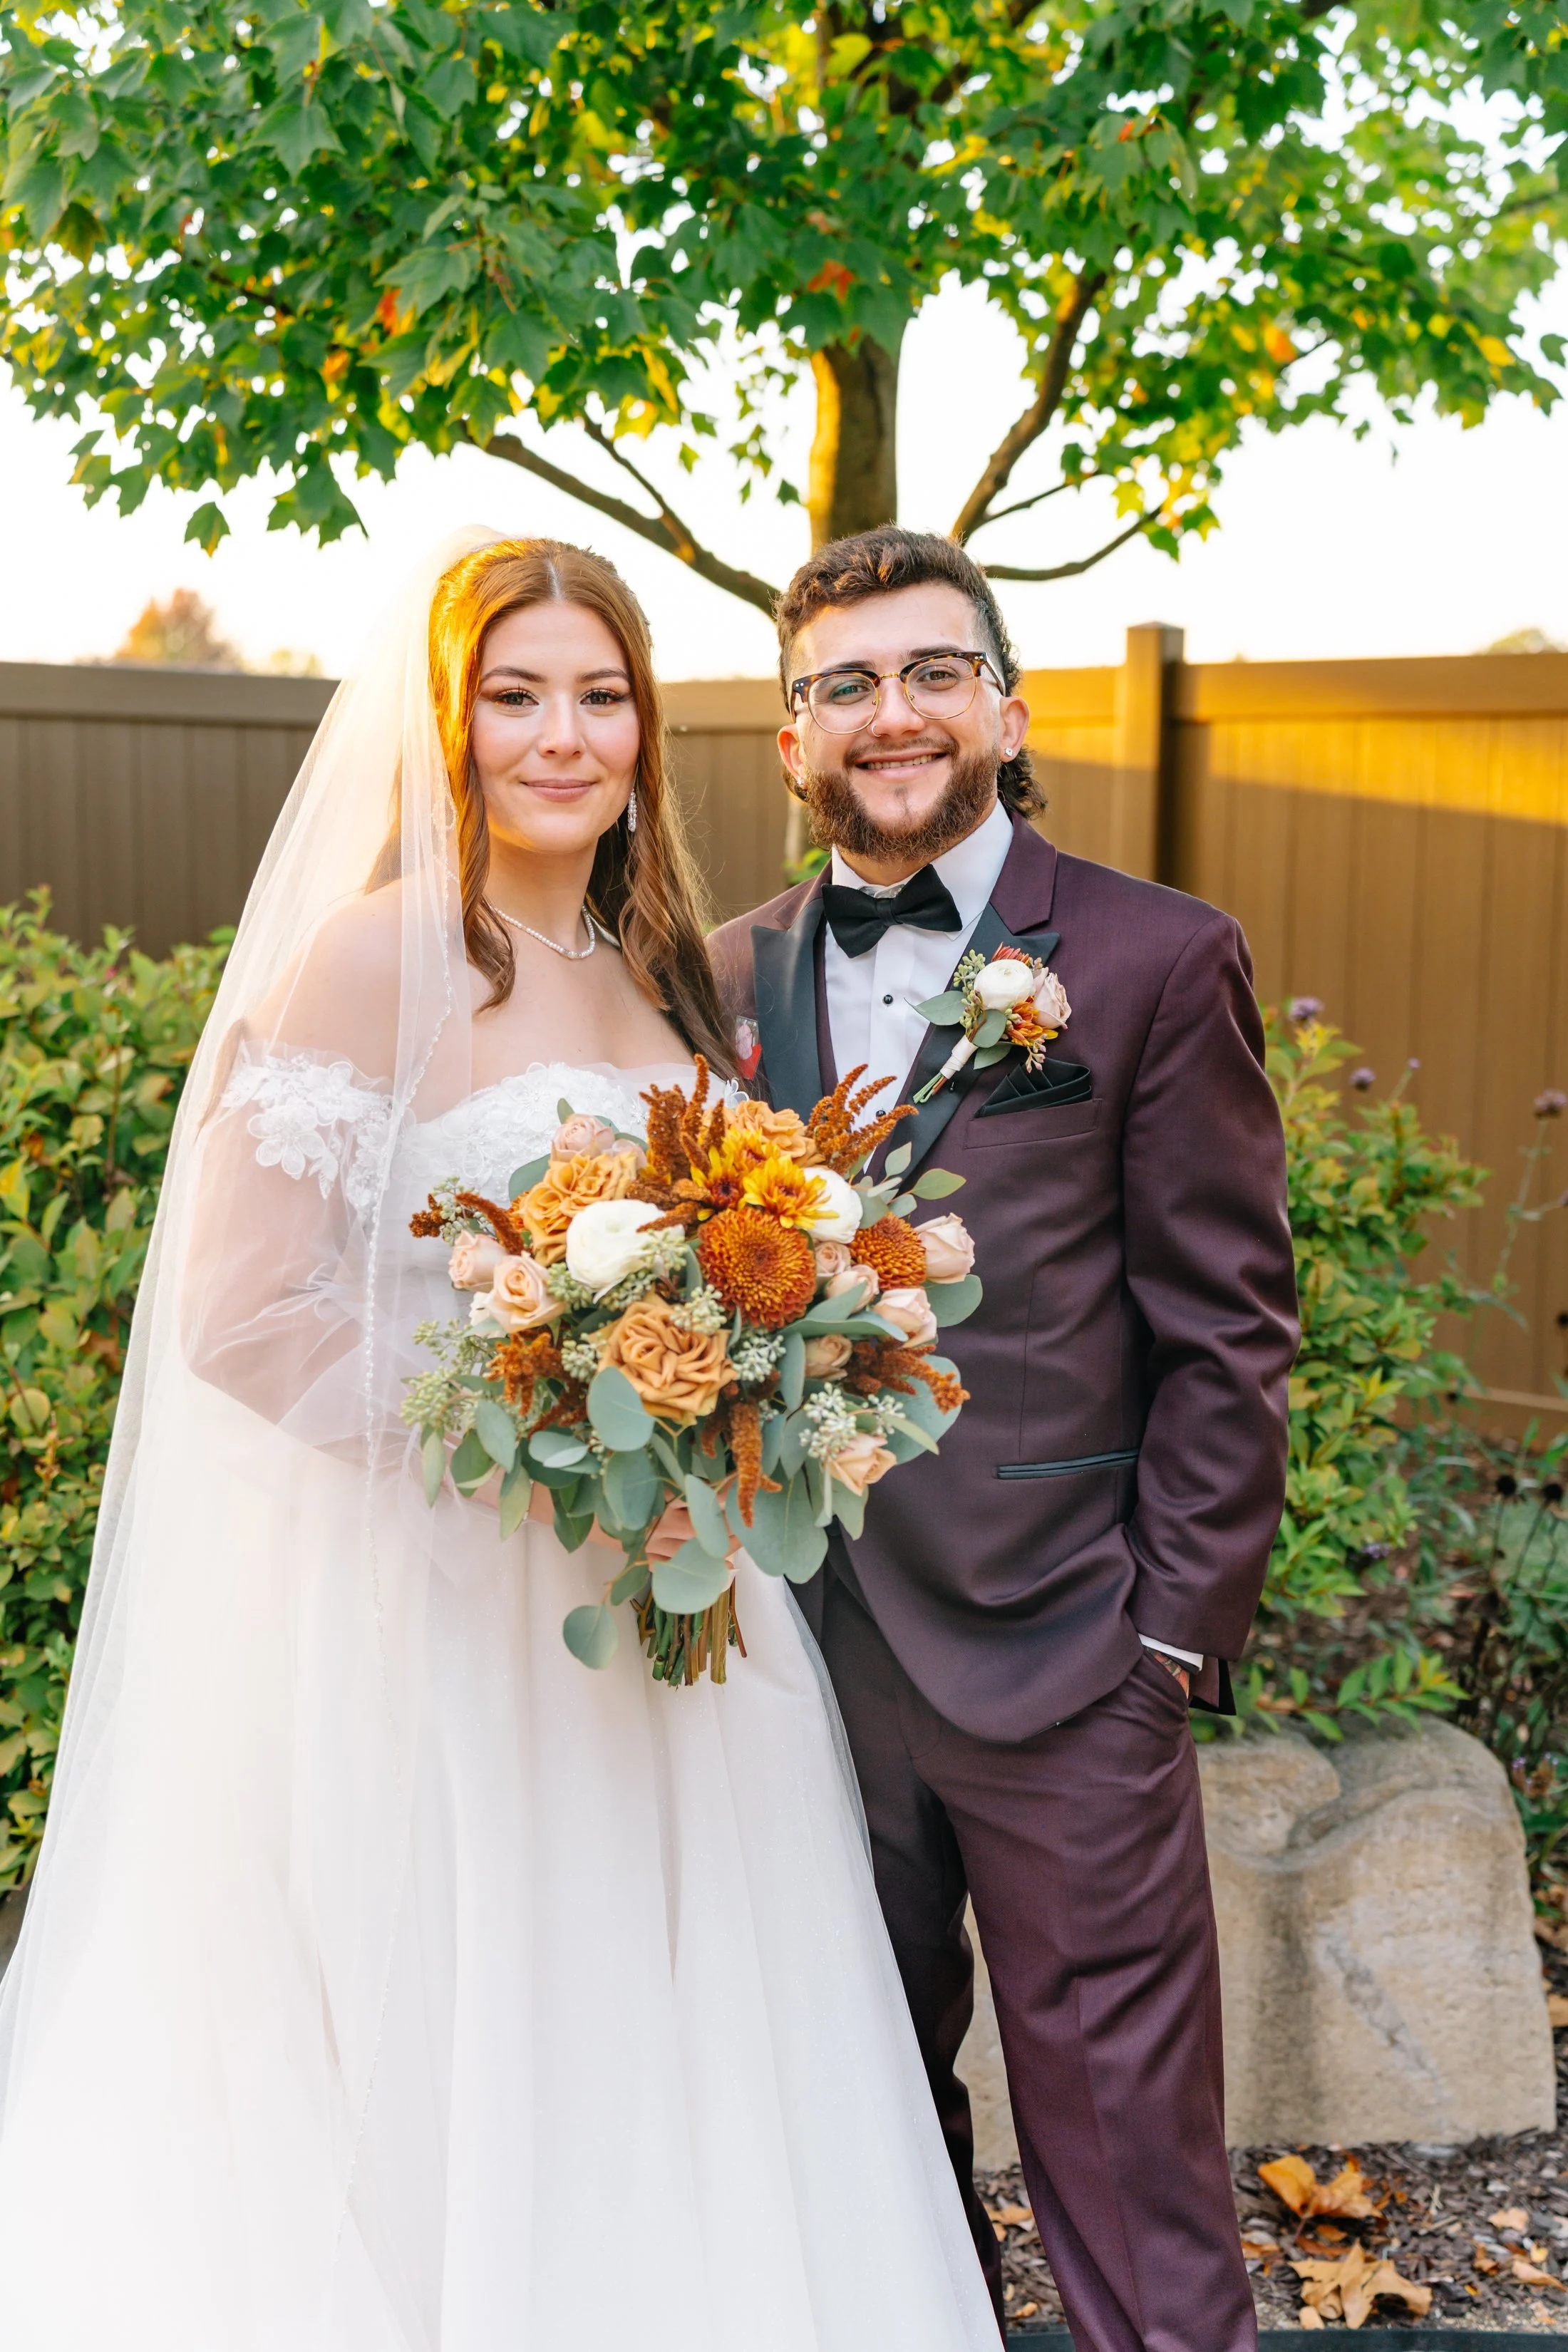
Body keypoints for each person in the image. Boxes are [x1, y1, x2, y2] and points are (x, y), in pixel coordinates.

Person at [0, 532, 1001, 2352]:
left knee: (676, 2032)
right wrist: (529, 1425)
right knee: (475, 2013)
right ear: (445, 725)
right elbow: (240, 1312)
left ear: (645, 727)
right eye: (516, 695)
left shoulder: (665, 976)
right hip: (452, 1617)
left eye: (601, 696)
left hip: (671, 1619)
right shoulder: (369, 955)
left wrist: (733, 1389)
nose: (564, 737)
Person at [708, 526, 1300, 2352]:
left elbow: (1227, 1327)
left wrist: (1164, 1641)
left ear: (1003, 706)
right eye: (845, 687)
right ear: (790, 739)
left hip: (1066, 1665)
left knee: (1126, 2167)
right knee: (860, 2149)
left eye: (929, 673)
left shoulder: (1148, 957)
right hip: (799, 1675)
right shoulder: (719, 976)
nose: (891, 715)